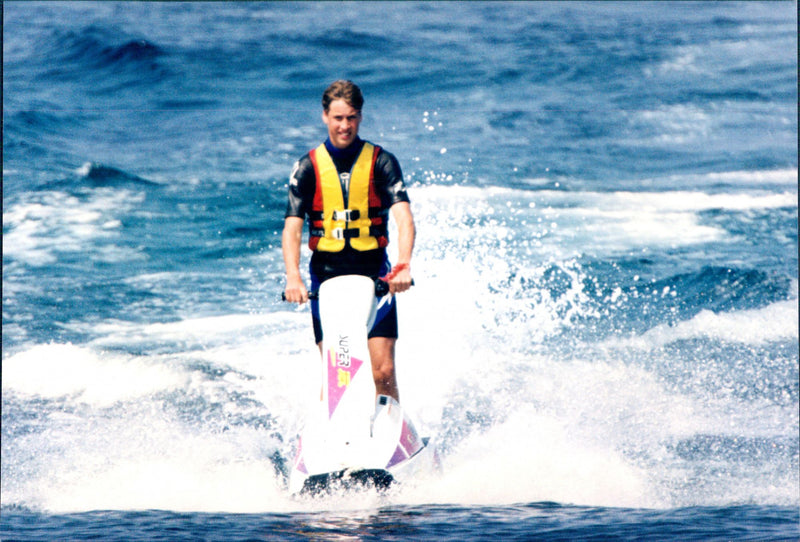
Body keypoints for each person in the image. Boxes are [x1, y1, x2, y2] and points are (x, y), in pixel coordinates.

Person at [282, 80, 415, 402]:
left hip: (375, 273)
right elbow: (292, 228)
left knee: (382, 371)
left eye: (352, 118)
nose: (345, 126)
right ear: (325, 116)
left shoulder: (382, 161)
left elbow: (404, 218)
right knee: (337, 375)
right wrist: (294, 277)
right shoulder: (307, 167)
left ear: (360, 117)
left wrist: (403, 266)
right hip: (325, 275)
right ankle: (328, 437)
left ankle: (393, 434)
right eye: (338, 118)